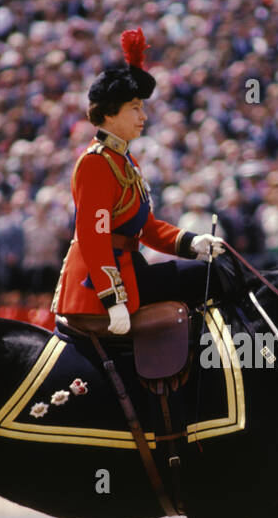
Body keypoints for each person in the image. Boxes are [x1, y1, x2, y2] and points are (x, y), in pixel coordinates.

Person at [52, 28, 225, 335]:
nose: (143, 116)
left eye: (142, 107)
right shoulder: (96, 163)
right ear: (109, 113)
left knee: (213, 274)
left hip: (132, 269)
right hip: (96, 287)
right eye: (135, 108)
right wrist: (112, 298)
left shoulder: (126, 160)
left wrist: (191, 241)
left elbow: (147, 228)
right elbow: (95, 237)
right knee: (209, 277)